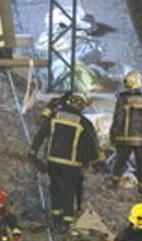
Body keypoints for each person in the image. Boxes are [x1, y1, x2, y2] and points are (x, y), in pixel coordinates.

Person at [31, 92, 99, 228]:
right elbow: (90, 145)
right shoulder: (84, 122)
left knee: (55, 188)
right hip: (72, 164)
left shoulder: (55, 116)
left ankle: (56, 217)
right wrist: (93, 160)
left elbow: (41, 133)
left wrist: (33, 152)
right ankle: (67, 221)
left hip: (53, 160)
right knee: (69, 191)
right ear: (82, 106)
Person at [110, 71, 142, 191]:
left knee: (120, 163)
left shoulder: (123, 98)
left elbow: (118, 119)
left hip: (125, 139)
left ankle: (113, 187)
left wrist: (113, 135)